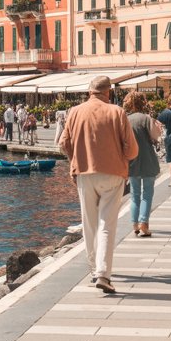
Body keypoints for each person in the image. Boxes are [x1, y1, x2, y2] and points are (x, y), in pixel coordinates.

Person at [58, 76, 139, 295]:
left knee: (89, 224)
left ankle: (94, 270)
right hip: (113, 173)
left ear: (89, 91)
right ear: (109, 92)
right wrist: (123, 157)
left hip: (84, 173)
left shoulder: (74, 112)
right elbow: (132, 150)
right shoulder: (117, 112)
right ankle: (103, 273)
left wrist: (74, 160)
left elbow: (63, 143)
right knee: (107, 224)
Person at [124, 91, 162, 238]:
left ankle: (135, 224)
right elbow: (156, 136)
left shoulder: (126, 120)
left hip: (132, 160)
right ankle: (144, 224)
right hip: (147, 159)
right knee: (147, 193)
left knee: (134, 194)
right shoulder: (147, 118)